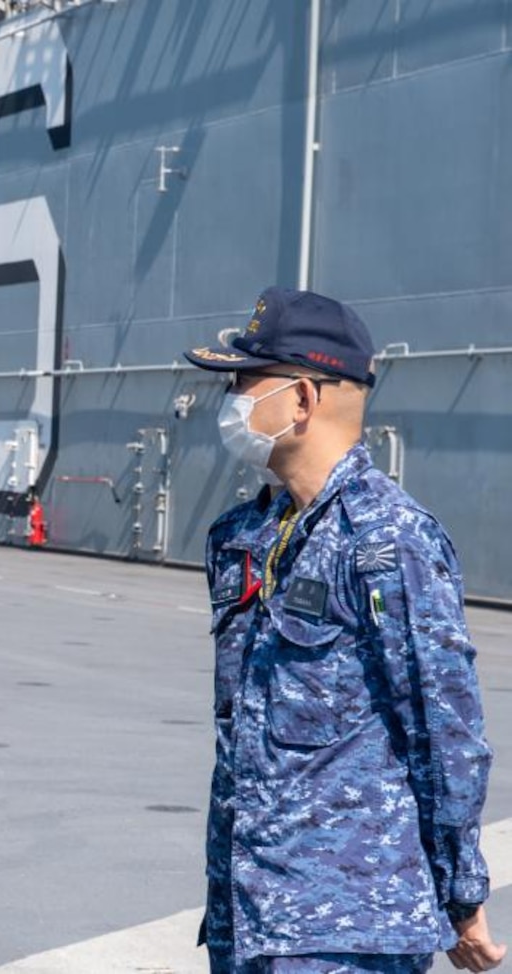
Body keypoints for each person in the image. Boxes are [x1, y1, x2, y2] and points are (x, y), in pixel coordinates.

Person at [183, 286, 505, 974]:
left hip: (350, 928)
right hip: (246, 917)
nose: (232, 402)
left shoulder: (388, 541)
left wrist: (461, 891)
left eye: (245, 383)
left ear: (302, 398)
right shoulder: (242, 535)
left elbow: (443, 729)